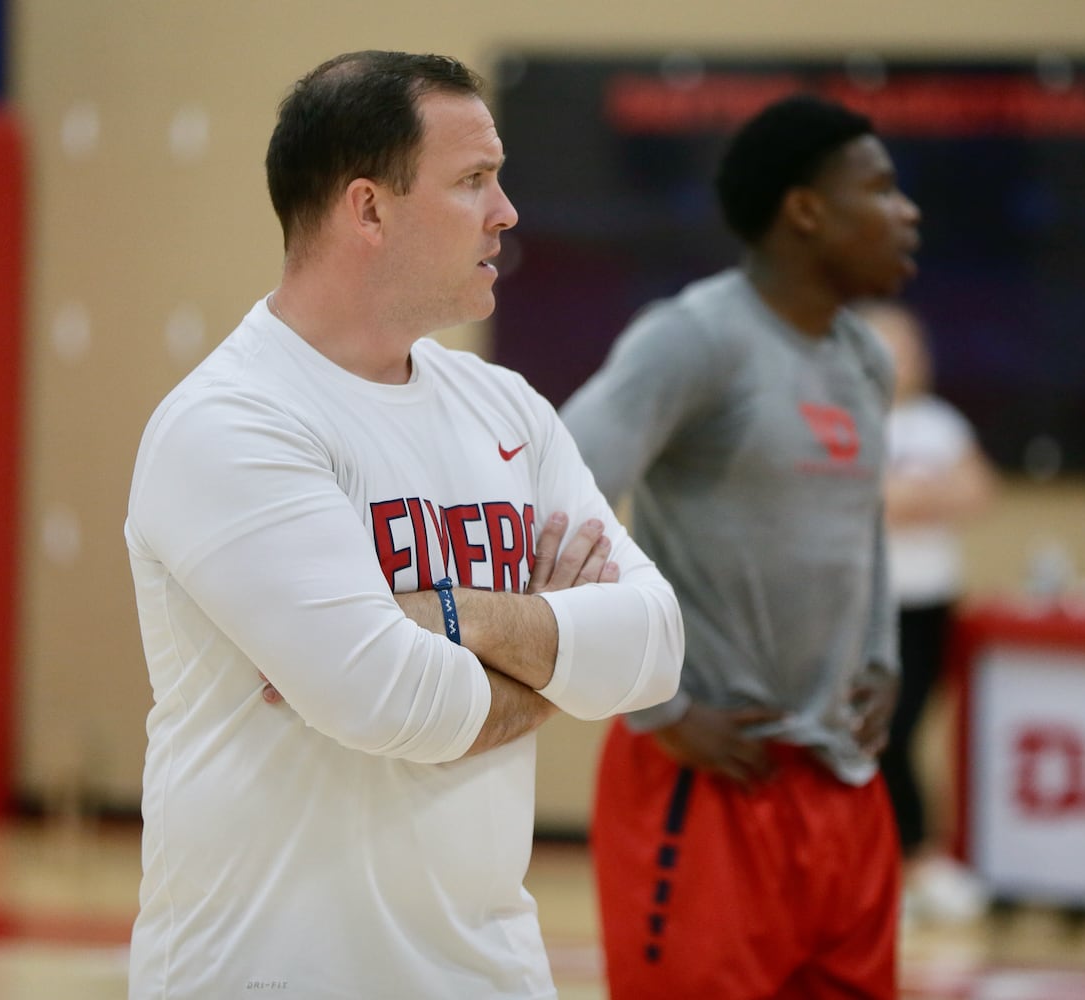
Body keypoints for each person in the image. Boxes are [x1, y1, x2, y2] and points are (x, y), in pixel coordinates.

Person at [123, 51, 683, 999]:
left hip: (490, 971)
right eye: (472, 182)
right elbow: (388, 701)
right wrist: (554, 648)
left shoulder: (508, 409)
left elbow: (657, 648)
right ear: (368, 208)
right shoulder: (231, 423)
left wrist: (451, 615)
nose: (506, 212)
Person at [561, 95, 920, 999]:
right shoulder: (694, 339)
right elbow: (558, 497)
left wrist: (880, 656)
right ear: (806, 210)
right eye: (880, 189)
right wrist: (658, 707)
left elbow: (862, 526)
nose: (907, 211)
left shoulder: (865, 360)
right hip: (709, 780)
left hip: (840, 781)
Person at [861, 301, 995, 926]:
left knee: (904, 727)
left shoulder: (941, 424)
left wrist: (903, 499)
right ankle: (892, 866)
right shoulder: (845, 422)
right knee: (872, 732)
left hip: (926, 608)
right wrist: (914, 497)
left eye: (907, 349)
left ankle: (919, 860)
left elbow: (974, 490)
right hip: (862, 604)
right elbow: (848, 502)